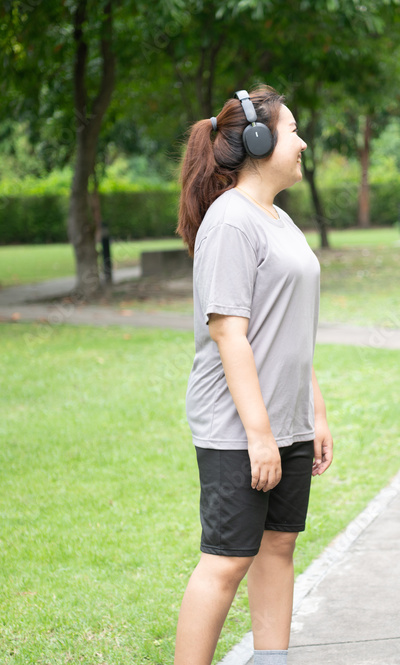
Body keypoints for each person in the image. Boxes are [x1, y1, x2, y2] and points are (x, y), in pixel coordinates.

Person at [173, 85, 334, 665]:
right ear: (260, 142)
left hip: (286, 422)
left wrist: (314, 413)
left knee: (278, 546)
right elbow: (229, 334)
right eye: (293, 131)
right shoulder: (230, 222)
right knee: (227, 560)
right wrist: (260, 436)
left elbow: (291, 328)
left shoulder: (279, 221)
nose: (303, 142)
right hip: (237, 428)